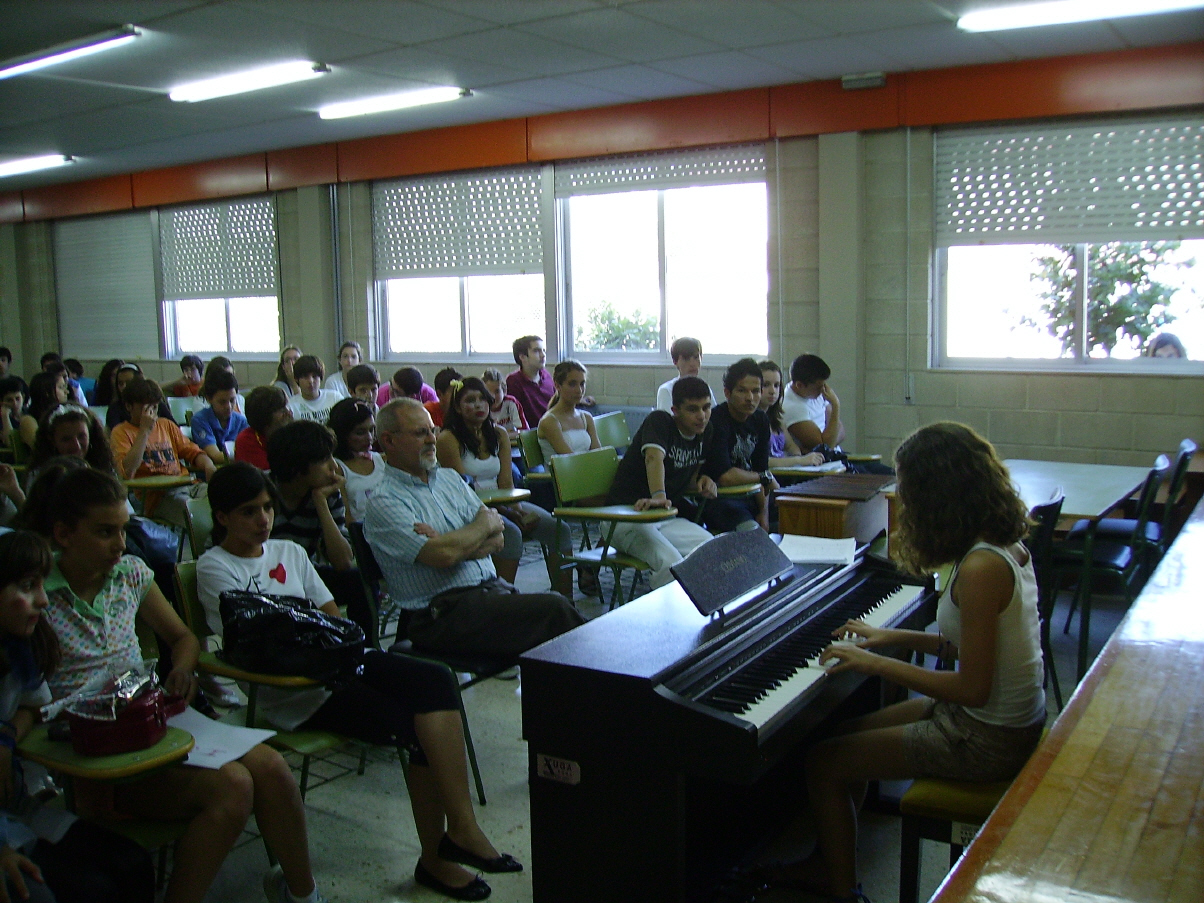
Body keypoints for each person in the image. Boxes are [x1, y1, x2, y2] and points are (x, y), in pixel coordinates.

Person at [198, 462, 519, 901]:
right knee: (412, 724)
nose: (263, 520)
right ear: (222, 517)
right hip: (296, 691)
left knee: (435, 680)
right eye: (249, 512)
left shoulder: (288, 552)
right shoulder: (214, 567)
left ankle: (462, 828)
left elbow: (330, 614)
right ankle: (435, 859)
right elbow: (253, 644)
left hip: (335, 662)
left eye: (268, 508)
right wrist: (309, 635)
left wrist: (308, 634)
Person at [760, 423, 1046, 901]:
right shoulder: (1002, 544)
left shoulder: (981, 568)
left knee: (822, 762)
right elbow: (965, 647)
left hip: (987, 737)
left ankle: (841, 888)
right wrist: (887, 636)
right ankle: (830, 856)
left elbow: (972, 688)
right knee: (843, 735)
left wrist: (875, 663)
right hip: (996, 720)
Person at [32, 467, 327, 903]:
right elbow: (23, 693)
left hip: (147, 717)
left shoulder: (130, 573)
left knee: (272, 769)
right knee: (234, 786)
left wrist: (184, 670)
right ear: (63, 534)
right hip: (89, 744)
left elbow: (183, 638)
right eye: (104, 532)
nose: (120, 544)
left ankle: (303, 895)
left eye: (124, 529)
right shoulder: (36, 594)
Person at [0, 530, 157, 903]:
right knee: (74, 892)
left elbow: (33, 705)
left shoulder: (18, 647)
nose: (43, 600)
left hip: (16, 809)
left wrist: (5, 739)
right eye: (27, 586)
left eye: (41, 584)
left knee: (133, 865)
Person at [364, 399, 584, 660]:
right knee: (556, 611)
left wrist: (452, 542)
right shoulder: (385, 500)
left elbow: (498, 537)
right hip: (440, 614)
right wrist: (479, 527)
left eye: (433, 430)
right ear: (389, 441)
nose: (432, 440)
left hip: (487, 595)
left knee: (563, 629)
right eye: (420, 433)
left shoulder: (448, 479)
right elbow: (446, 554)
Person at [436, 378, 571, 591]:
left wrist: (516, 509)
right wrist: (509, 514)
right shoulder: (448, 439)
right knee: (511, 535)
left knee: (559, 530)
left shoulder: (498, 434)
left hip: (502, 503)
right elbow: (463, 490)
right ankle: (501, 599)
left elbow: (506, 482)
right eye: (470, 401)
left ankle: (565, 598)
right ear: (458, 408)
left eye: (483, 399)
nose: (479, 405)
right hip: (469, 508)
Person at [605, 377, 716, 589]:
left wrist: (702, 482)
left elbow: (686, 476)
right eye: (693, 409)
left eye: (706, 407)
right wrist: (659, 496)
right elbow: (653, 458)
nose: (702, 416)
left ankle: (702, 604)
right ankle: (665, 609)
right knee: (670, 563)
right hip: (624, 517)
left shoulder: (706, 431)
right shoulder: (660, 421)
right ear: (675, 410)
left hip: (663, 517)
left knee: (712, 549)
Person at [264, 420, 364, 631]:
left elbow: (343, 562)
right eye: (324, 459)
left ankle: (362, 643)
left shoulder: (326, 493)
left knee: (357, 580)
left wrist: (321, 503)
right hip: (262, 580)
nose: (334, 466)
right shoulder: (261, 491)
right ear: (298, 467)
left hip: (304, 576)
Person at [109, 377, 215, 522]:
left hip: (188, 485)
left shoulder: (166, 425)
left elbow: (192, 451)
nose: (152, 414)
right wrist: (144, 431)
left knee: (222, 499)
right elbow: (128, 471)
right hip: (159, 497)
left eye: (155, 408)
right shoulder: (121, 432)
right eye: (146, 409)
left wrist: (208, 464)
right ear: (129, 407)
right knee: (195, 512)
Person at [702, 358, 773, 533]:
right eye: (742, 391)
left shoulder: (761, 419)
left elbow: (761, 470)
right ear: (727, 393)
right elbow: (726, 477)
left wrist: (764, 512)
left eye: (756, 391)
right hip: (722, 499)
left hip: (752, 495)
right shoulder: (716, 421)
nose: (750, 398)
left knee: (795, 512)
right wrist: (763, 477)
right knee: (750, 532)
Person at [328, 398, 386, 524]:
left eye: (371, 429)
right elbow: (347, 517)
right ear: (343, 434)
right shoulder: (337, 468)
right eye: (360, 432)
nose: (369, 437)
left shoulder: (382, 460)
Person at [758, 360, 825, 467]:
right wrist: (799, 460)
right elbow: (760, 461)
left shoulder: (777, 417)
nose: (772, 391)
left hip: (786, 470)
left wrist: (798, 457)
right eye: (766, 385)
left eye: (776, 385)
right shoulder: (751, 419)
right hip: (767, 473)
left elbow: (791, 446)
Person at [536, 360, 599, 464]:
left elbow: (598, 454)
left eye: (582, 384)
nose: (579, 390)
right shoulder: (549, 421)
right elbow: (570, 461)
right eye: (572, 384)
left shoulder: (586, 417)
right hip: (564, 472)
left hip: (585, 469)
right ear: (557, 386)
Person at [781, 353, 844, 455]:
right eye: (819, 387)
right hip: (821, 462)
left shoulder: (813, 393)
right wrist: (836, 405)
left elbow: (841, 431)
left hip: (835, 455)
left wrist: (830, 440)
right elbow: (825, 447)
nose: (823, 390)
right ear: (799, 385)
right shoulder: (792, 407)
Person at [29, 404, 113, 475]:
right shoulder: (39, 476)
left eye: (81, 437)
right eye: (66, 439)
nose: (76, 446)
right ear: (52, 440)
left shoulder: (104, 469)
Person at [189, 368, 248, 465]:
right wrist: (249, 457)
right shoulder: (199, 420)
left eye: (232, 400)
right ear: (209, 399)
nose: (228, 406)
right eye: (222, 402)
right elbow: (215, 456)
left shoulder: (242, 421)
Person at [234, 386, 292, 471]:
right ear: (265, 416)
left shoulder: (288, 434)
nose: (289, 413)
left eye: (287, 407)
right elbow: (269, 474)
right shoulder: (246, 440)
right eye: (282, 410)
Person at [104, 364, 174, 432]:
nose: (124, 387)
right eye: (120, 383)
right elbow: (115, 433)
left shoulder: (155, 403)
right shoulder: (114, 408)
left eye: (128, 382)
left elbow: (174, 427)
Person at [655, 337, 716, 413]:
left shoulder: (704, 388)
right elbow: (667, 420)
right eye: (686, 359)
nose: (692, 364)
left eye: (696, 357)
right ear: (675, 361)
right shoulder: (666, 390)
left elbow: (714, 416)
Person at [505, 336, 555, 427]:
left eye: (543, 350)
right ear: (522, 357)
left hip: (554, 425)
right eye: (537, 351)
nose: (543, 355)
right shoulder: (513, 382)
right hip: (532, 431)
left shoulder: (546, 375)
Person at [19, 371, 69, 449]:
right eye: (61, 387)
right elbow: (40, 448)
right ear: (47, 392)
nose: (67, 391)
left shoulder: (64, 413)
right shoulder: (28, 420)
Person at [287, 356, 340, 425]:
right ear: (297, 379)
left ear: (320, 378)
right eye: (305, 377)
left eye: (315, 376)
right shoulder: (291, 406)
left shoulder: (335, 398)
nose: (311, 381)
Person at [480, 369, 527, 441]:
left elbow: (524, 432)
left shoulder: (511, 403)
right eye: (488, 392)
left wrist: (501, 436)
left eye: (497, 391)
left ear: (504, 391)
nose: (493, 396)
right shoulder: (481, 407)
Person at [0, 376, 23, 450]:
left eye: (17, 398)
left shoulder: (30, 413)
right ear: (1, 402)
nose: (15, 403)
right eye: (9, 400)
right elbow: (10, 443)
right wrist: (5, 416)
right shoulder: (2, 419)